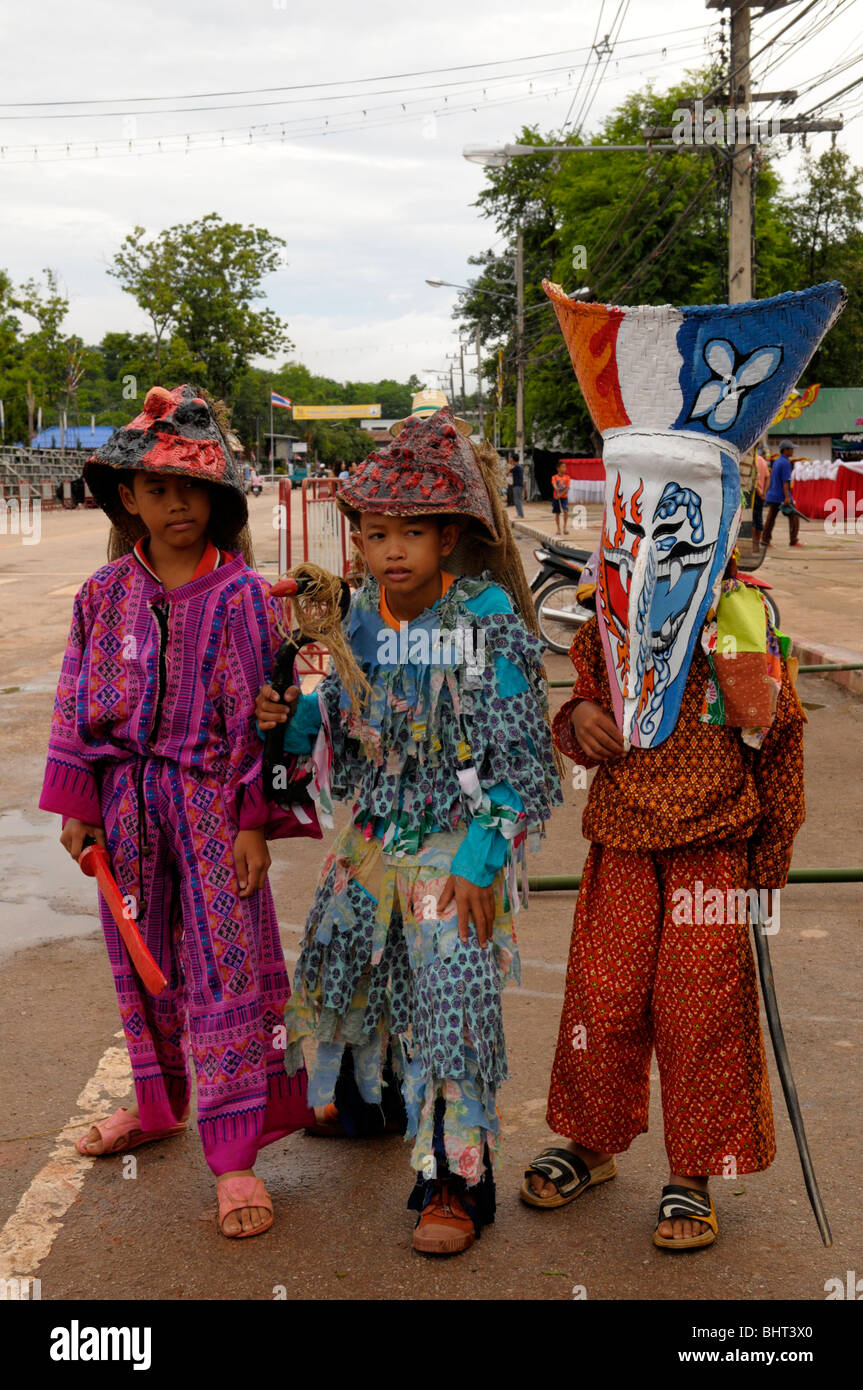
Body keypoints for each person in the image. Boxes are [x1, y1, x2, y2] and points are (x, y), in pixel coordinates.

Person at [525, 279, 844, 1250]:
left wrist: (765, 866)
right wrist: (577, 716)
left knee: (699, 1013)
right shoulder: (605, 623)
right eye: (637, 509)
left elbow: (779, 742)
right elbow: (569, 704)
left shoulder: (740, 623)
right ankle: (590, 1140)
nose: (654, 530)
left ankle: (689, 1172)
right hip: (620, 846)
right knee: (602, 997)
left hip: (716, 856)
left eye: (676, 512)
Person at [256, 407, 562, 1256]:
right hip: (377, 831)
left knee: (450, 1002)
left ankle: (454, 1182)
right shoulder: (359, 620)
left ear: (452, 536)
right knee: (338, 953)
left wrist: (478, 859)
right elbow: (345, 726)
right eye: (377, 531)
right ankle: (369, 1104)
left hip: (458, 840)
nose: (392, 549)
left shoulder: (487, 618)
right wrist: (286, 719)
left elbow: (522, 764)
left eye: (414, 532)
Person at [39, 385, 320, 1240]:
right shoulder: (101, 596)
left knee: (228, 978)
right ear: (128, 498)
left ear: (218, 500)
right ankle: (158, 1106)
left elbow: (268, 722)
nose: (174, 505)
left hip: (210, 815)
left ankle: (234, 1159)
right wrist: (77, 803)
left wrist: (250, 823)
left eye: (190, 490)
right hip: (125, 812)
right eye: (156, 489)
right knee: (142, 969)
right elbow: (75, 700)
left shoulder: (243, 600)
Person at [761, 439, 801, 548]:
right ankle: (793, 540)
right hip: (781, 495)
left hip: (773, 494)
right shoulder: (785, 463)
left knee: (771, 518)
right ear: (786, 450)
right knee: (794, 517)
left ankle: (765, 539)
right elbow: (785, 482)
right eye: (791, 449)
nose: (793, 451)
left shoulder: (777, 461)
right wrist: (787, 497)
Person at [752, 442, 770, 552]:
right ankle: (756, 545)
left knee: (752, 521)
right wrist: (764, 492)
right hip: (761, 494)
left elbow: (752, 478)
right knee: (758, 519)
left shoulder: (752, 460)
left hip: (753, 493)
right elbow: (768, 477)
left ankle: (753, 545)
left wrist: (759, 491)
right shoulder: (762, 461)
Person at [551, 460, 570, 534]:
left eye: (565, 467)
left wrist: (560, 494)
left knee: (565, 510)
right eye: (563, 467)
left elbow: (567, 488)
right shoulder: (554, 477)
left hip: (564, 497)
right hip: (556, 498)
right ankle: (558, 528)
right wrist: (557, 491)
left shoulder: (567, 477)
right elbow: (554, 485)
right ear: (558, 468)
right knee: (557, 512)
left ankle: (565, 527)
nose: (564, 469)